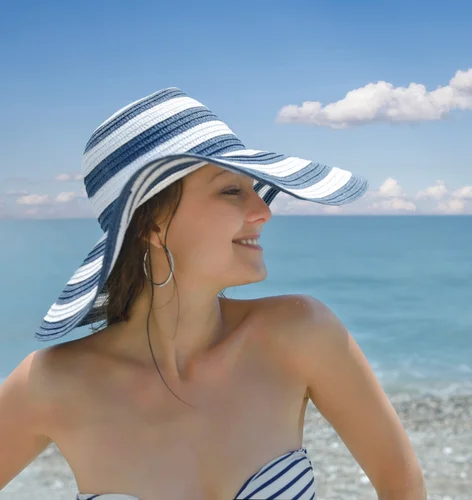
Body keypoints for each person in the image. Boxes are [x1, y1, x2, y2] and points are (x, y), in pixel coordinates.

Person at [0, 88, 427, 500]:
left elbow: (402, 486)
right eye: (230, 190)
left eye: (255, 190)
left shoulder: (300, 334)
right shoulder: (50, 383)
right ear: (151, 224)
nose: (263, 211)